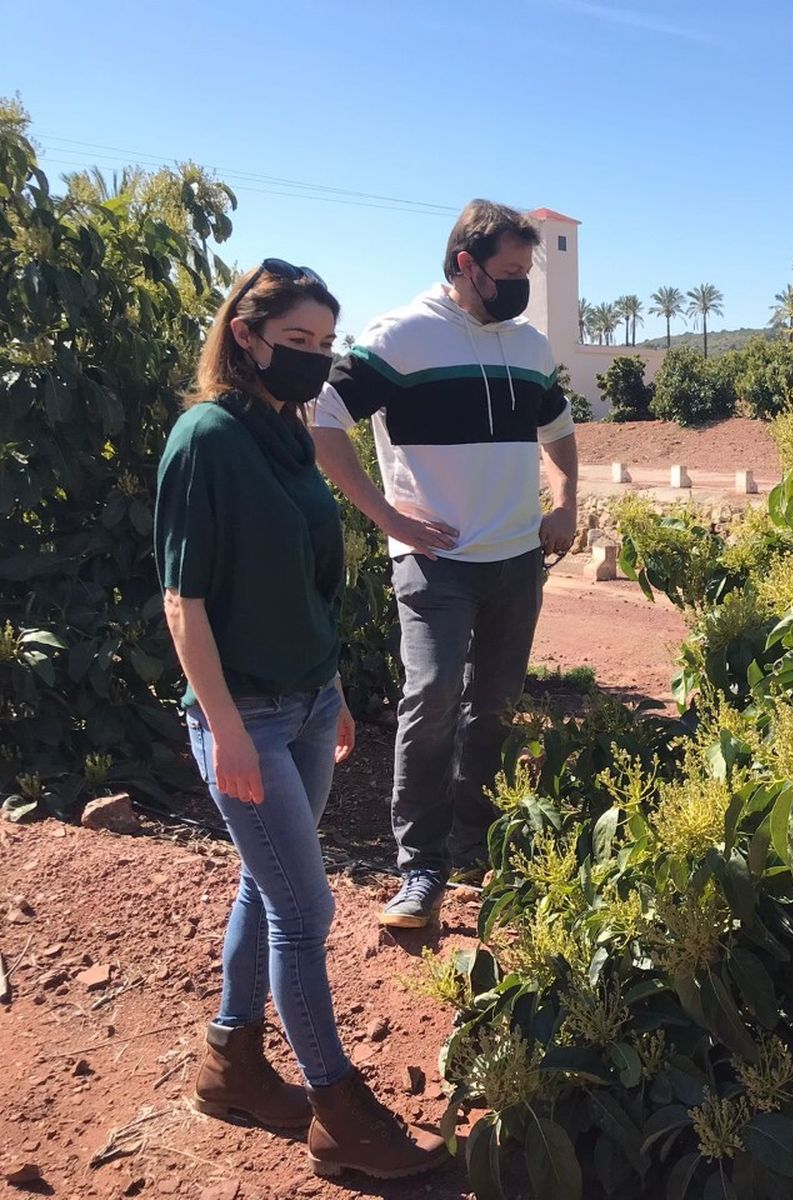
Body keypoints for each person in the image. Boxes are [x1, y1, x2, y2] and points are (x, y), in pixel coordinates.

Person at [156, 261, 445, 1179]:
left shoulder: (289, 433)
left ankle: (230, 1064)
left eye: (325, 343)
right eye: (296, 341)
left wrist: (336, 689)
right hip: (245, 712)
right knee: (304, 905)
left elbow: (310, 583)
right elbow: (183, 602)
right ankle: (337, 1112)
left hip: (311, 700)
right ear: (245, 336)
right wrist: (226, 729)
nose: (315, 358)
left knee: (268, 882)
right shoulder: (207, 438)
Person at [310, 200, 578, 929]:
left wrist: (565, 501)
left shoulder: (528, 345)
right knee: (430, 699)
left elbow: (557, 427)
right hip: (435, 563)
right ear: (467, 264)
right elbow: (323, 419)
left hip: (517, 559)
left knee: (494, 706)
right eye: (510, 271)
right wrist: (388, 518)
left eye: (527, 271)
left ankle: (475, 847)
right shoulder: (402, 336)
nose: (521, 284)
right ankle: (420, 868)